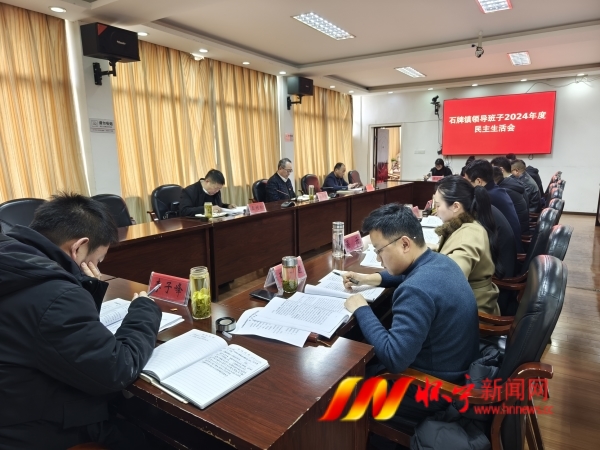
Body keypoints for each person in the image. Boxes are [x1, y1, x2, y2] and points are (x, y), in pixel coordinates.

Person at [0, 193, 161, 449]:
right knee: (143, 433)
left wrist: (81, 289)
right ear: (78, 247)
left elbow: (54, 333)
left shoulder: (13, 257)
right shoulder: (55, 296)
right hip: (31, 429)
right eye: (98, 259)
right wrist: (145, 311)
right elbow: (117, 369)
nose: (97, 266)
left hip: (14, 403)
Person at [342, 204, 479, 446]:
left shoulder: (415, 290)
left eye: (379, 251)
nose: (378, 259)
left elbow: (395, 359)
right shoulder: (440, 261)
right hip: (458, 369)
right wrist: (370, 278)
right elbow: (407, 273)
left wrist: (361, 308)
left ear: (405, 244)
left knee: (343, 392)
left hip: (435, 390)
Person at [432, 175, 501, 315]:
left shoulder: (468, 235)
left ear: (456, 206)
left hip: (472, 312)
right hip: (471, 301)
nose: (435, 211)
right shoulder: (468, 224)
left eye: (438, 205)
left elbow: (450, 281)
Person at [465, 159, 523, 252]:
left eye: (468, 182)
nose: (466, 187)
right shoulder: (497, 191)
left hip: (505, 253)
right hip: (511, 247)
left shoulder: (487, 197)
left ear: (478, 181)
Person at [490, 158, 530, 235]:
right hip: (522, 226)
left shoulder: (505, 190)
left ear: (501, 170)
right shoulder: (513, 182)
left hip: (518, 232)